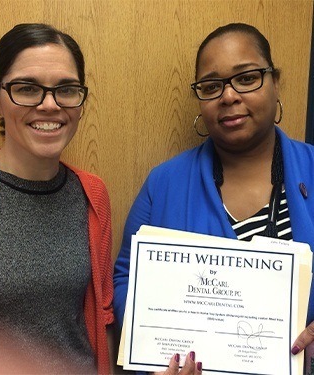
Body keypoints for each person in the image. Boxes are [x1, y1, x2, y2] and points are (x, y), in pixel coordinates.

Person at [113, 22, 314, 374]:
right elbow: (125, 281)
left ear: (275, 82)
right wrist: (155, 350)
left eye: (247, 78)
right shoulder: (164, 184)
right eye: (211, 86)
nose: (229, 96)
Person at [0, 23, 114, 374]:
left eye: (66, 89)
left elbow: (102, 316)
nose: (49, 105)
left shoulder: (92, 193)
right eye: (27, 88)